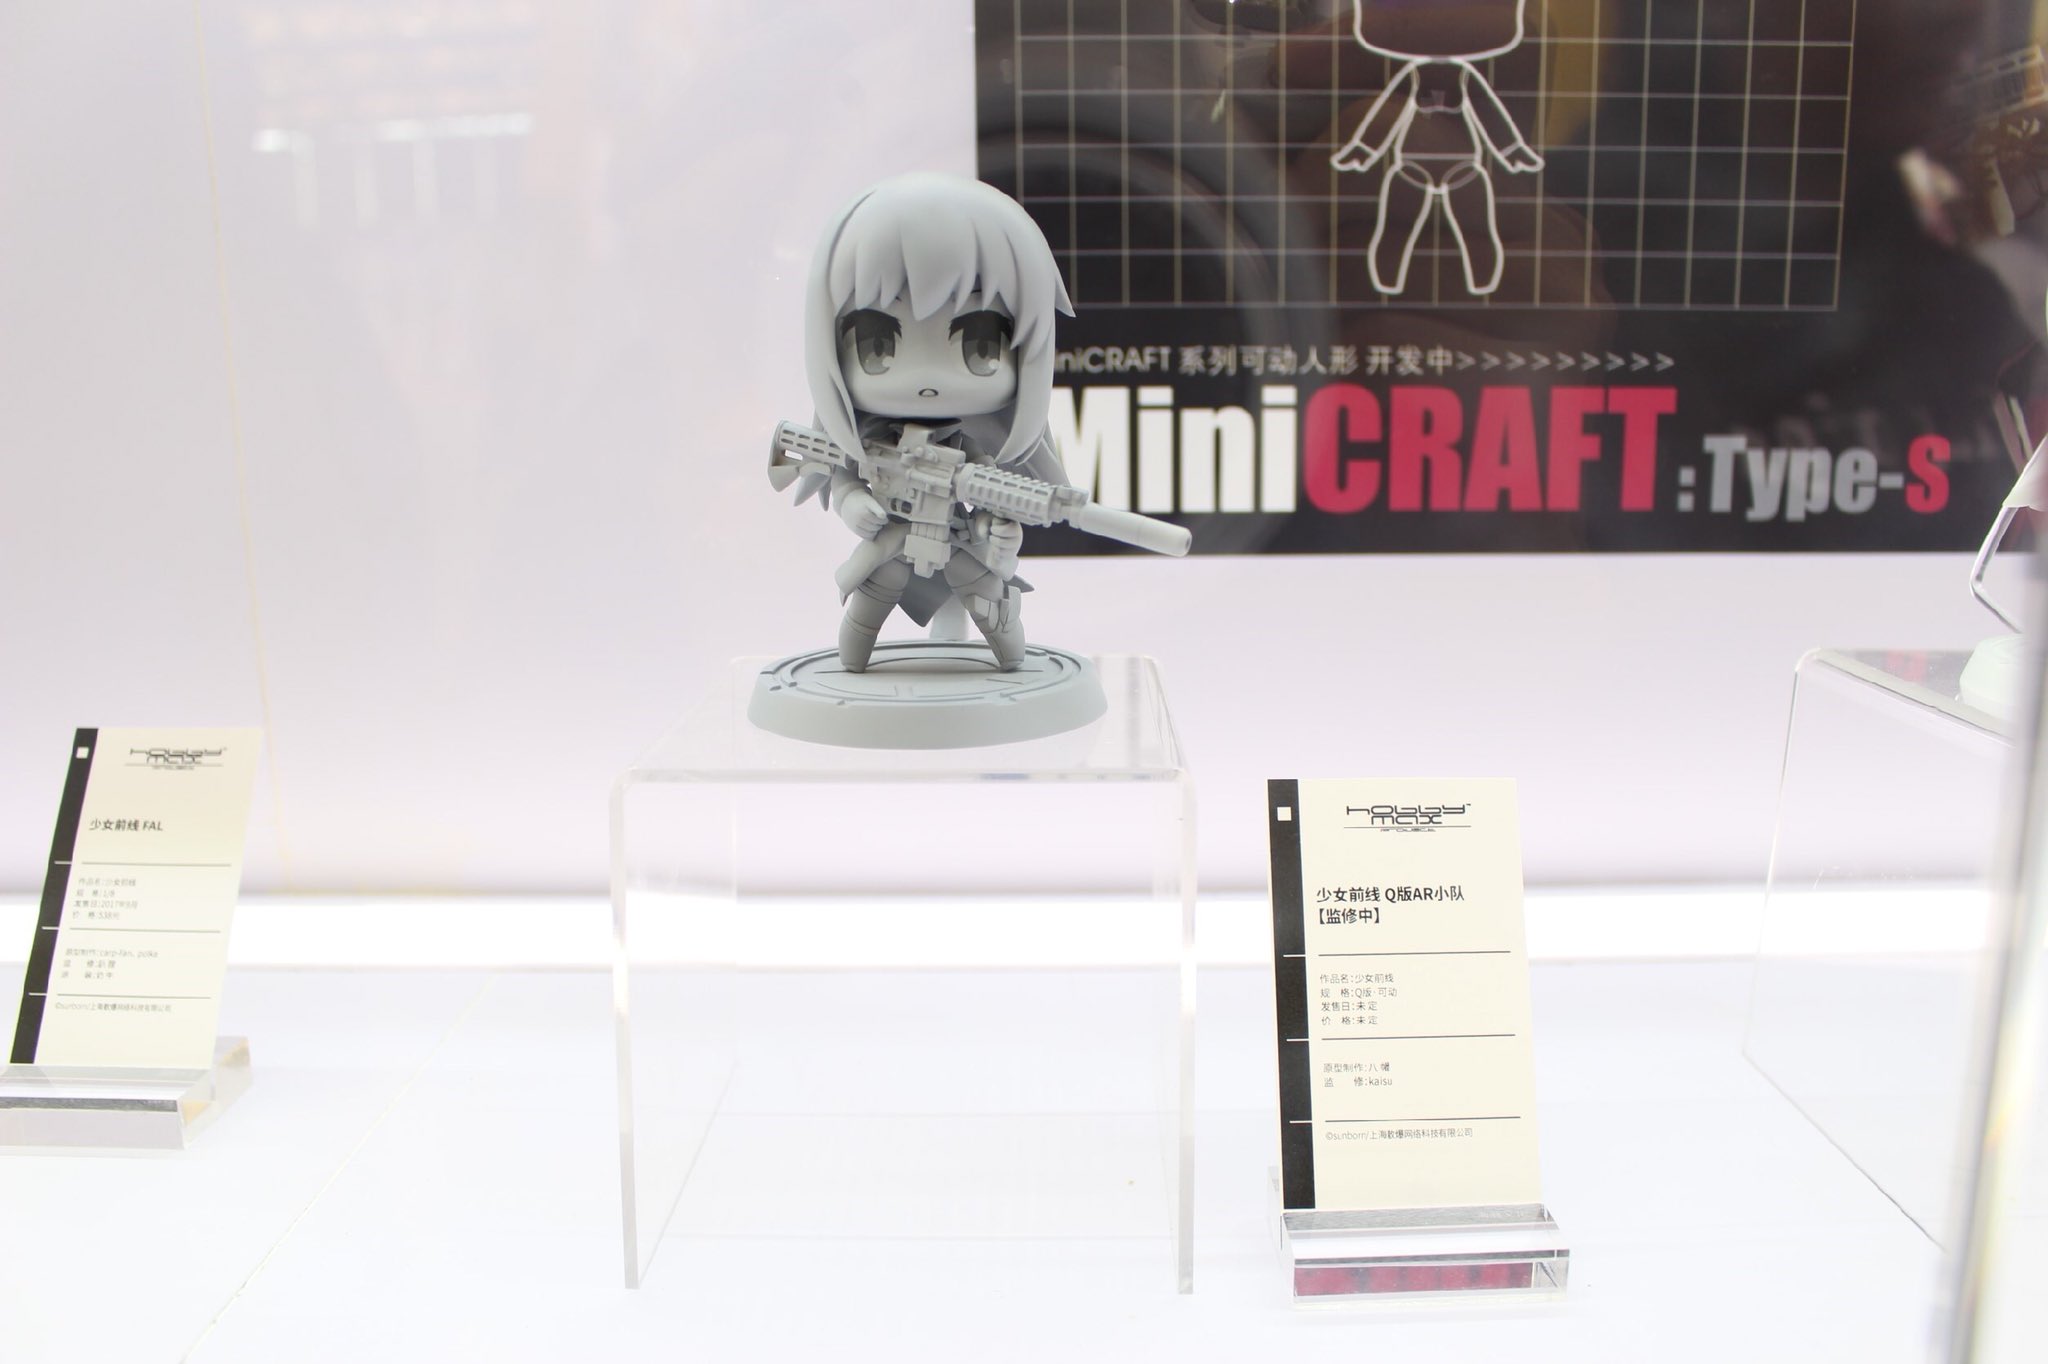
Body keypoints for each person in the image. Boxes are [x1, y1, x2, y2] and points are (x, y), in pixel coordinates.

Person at [788, 172, 1075, 671]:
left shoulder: (966, 449)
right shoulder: (874, 444)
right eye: (878, 343)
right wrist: (853, 504)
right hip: (891, 544)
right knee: (864, 615)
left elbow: (986, 492)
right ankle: (854, 671)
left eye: (978, 343)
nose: (925, 381)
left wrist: (997, 534)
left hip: (953, 541)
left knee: (992, 609)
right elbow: (846, 476)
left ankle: (1006, 664)